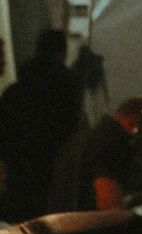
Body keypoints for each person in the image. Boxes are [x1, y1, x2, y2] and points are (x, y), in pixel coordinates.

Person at [0, 30, 85, 223]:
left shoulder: (13, 93)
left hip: (19, 178)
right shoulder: (70, 92)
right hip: (56, 177)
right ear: (62, 54)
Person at [47, 97, 142, 213]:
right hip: (89, 226)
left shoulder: (83, 140)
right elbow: (111, 207)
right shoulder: (111, 144)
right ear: (133, 124)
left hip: (66, 224)